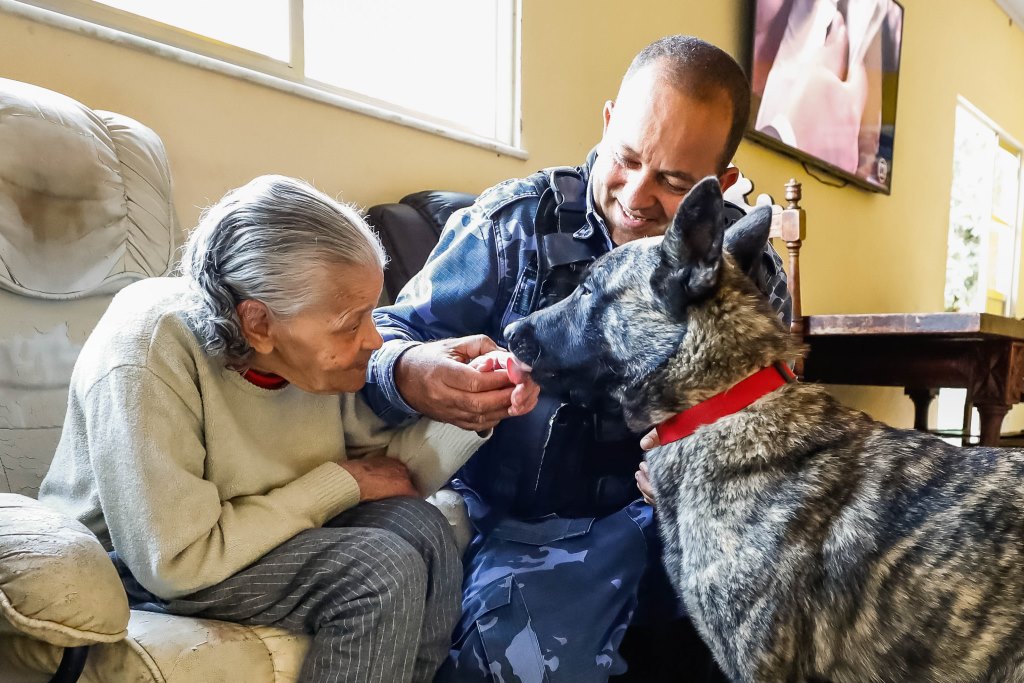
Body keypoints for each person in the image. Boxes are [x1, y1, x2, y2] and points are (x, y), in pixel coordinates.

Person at [362, 36, 792, 682]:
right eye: (626, 159)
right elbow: (384, 336)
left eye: (674, 181)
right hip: (542, 531)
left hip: (700, 533)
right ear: (608, 121)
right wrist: (415, 369)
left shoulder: (747, 265)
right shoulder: (514, 225)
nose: (637, 195)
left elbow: (778, 425)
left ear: (720, 183)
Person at [37, 175, 522, 683]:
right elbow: (173, 561)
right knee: (377, 570)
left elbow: (391, 472)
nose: (374, 340)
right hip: (137, 562)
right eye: (350, 322)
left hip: (254, 533)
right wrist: (344, 482)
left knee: (423, 531)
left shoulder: (308, 357)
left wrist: (472, 407)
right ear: (258, 324)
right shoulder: (146, 349)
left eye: (371, 314)